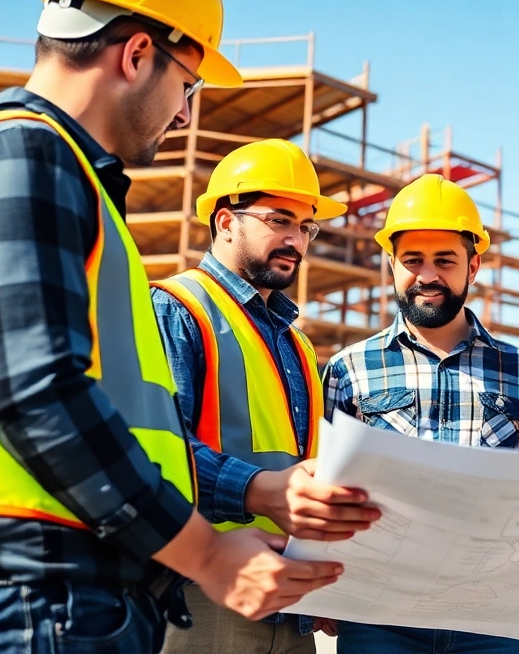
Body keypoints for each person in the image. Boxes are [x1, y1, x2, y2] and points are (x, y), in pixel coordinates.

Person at [0, 0, 340, 654]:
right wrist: (207, 554)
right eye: (187, 86)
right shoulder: (21, 157)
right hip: (23, 595)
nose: (184, 113)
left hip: (52, 593)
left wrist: (246, 502)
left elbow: (125, 424)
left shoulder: (63, 181)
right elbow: (36, 394)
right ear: (136, 54)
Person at [155, 139, 381, 654]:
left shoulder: (297, 344)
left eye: (306, 227)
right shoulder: (177, 308)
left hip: (291, 598)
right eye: (279, 220)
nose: (295, 240)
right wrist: (256, 490)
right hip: (205, 589)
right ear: (225, 222)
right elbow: (157, 452)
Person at [324, 174, 519, 654]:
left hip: (490, 616)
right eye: (412, 260)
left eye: (445, 261)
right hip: (378, 615)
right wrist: (323, 586)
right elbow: (326, 487)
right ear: (392, 264)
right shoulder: (349, 369)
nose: (427, 276)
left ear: (473, 266)